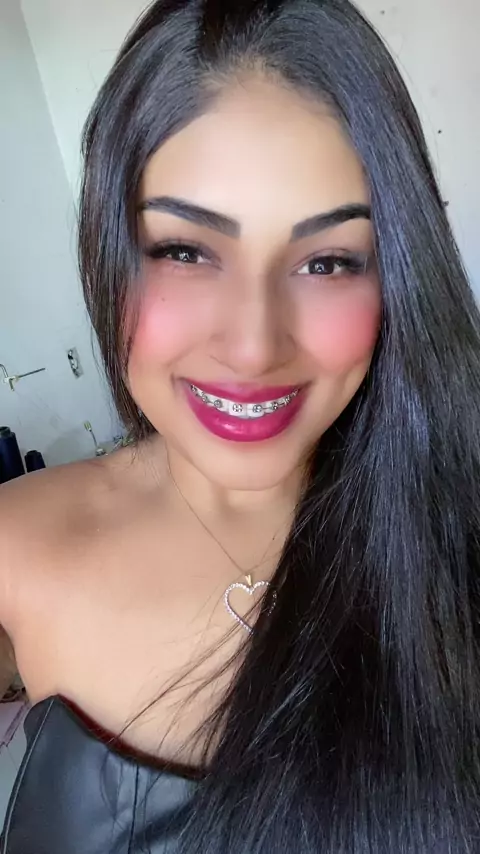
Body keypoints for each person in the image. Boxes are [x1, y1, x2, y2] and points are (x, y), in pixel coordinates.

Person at [1, 0, 480, 851]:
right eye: (185, 251)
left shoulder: (455, 535)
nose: (255, 346)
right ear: (109, 251)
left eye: (327, 262)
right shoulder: (16, 542)